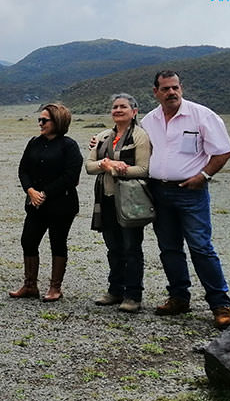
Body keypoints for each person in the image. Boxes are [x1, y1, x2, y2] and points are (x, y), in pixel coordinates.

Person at [141, 70, 230, 329]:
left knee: (201, 247)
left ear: (181, 88)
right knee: (169, 248)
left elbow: (224, 151)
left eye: (175, 87)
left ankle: (220, 305)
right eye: (165, 88)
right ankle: (179, 298)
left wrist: (204, 176)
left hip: (191, 192)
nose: (171, 92)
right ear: (156, 92)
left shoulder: (202, 116)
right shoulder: (149, 121)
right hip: (159, 191)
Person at [10, 103, 82, 302]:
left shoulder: (69, 145)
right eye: (39, 119)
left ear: (57, 121)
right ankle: (30, 285)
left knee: (57, 243)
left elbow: (70, 175)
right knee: (28, 240)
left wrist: (44, 193)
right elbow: (23, 169)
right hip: (35, 203)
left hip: (62, 205)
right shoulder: (34, 142)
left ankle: (55, 288)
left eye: (45, 120)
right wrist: (30, 190)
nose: (40, 123)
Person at [85, 94, 150, 312]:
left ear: (134, 111)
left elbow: (143, 169)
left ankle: (133, 295)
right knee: (113, 247)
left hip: (130, 200)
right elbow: (89, 166)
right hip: (106, 199)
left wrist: (112, 167)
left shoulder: (140, 136)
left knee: (132, 247)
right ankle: (115, 290)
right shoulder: (103, 136)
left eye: (123, 106)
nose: (118, 110)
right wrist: (108, 165)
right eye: (114, 107)